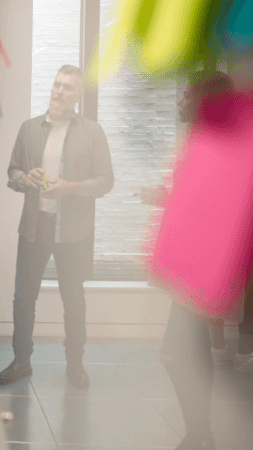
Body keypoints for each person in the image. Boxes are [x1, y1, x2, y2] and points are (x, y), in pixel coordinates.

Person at [0, 65, 114, 389]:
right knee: (23, 298)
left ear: (79, 96)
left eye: (67, 88)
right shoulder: (29, 129)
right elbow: (13, 172)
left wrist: (70, 187)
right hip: (35, 226)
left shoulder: (93, 132)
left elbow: (106, 181)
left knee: (73, 299)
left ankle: (75, 365)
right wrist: (25, 178)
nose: (59, 92)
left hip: (74, 231)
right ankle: (21, 361)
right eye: (57, 85)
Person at [142, 70, 241, 450]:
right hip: (194, 270)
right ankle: (202, 433)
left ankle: (202, 433)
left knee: (180, 353)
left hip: (202, 272)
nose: (180, 102)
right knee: (185, 353)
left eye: (186, 96)